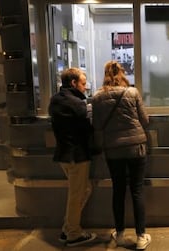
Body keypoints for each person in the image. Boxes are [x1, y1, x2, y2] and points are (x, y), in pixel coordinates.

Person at [92, 60, 151, 249]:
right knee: (137, 190)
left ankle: (120, 234)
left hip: (113, 149)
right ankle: (141, 236)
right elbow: (144, 120)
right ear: (122, 73)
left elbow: (97, 126)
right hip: (136, 147)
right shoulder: (132, 92)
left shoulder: (97, 97)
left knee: (118, 190)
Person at [48, 68, 97, 247]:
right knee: (77, 194)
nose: (85, 87)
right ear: (74, 83)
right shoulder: (77, 103)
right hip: (77, 156)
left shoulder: (54, 100)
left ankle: (67, 228)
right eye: (83, 84)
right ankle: (74, 234)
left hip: (62, 155)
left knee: (83, 190)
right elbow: (88, 129)